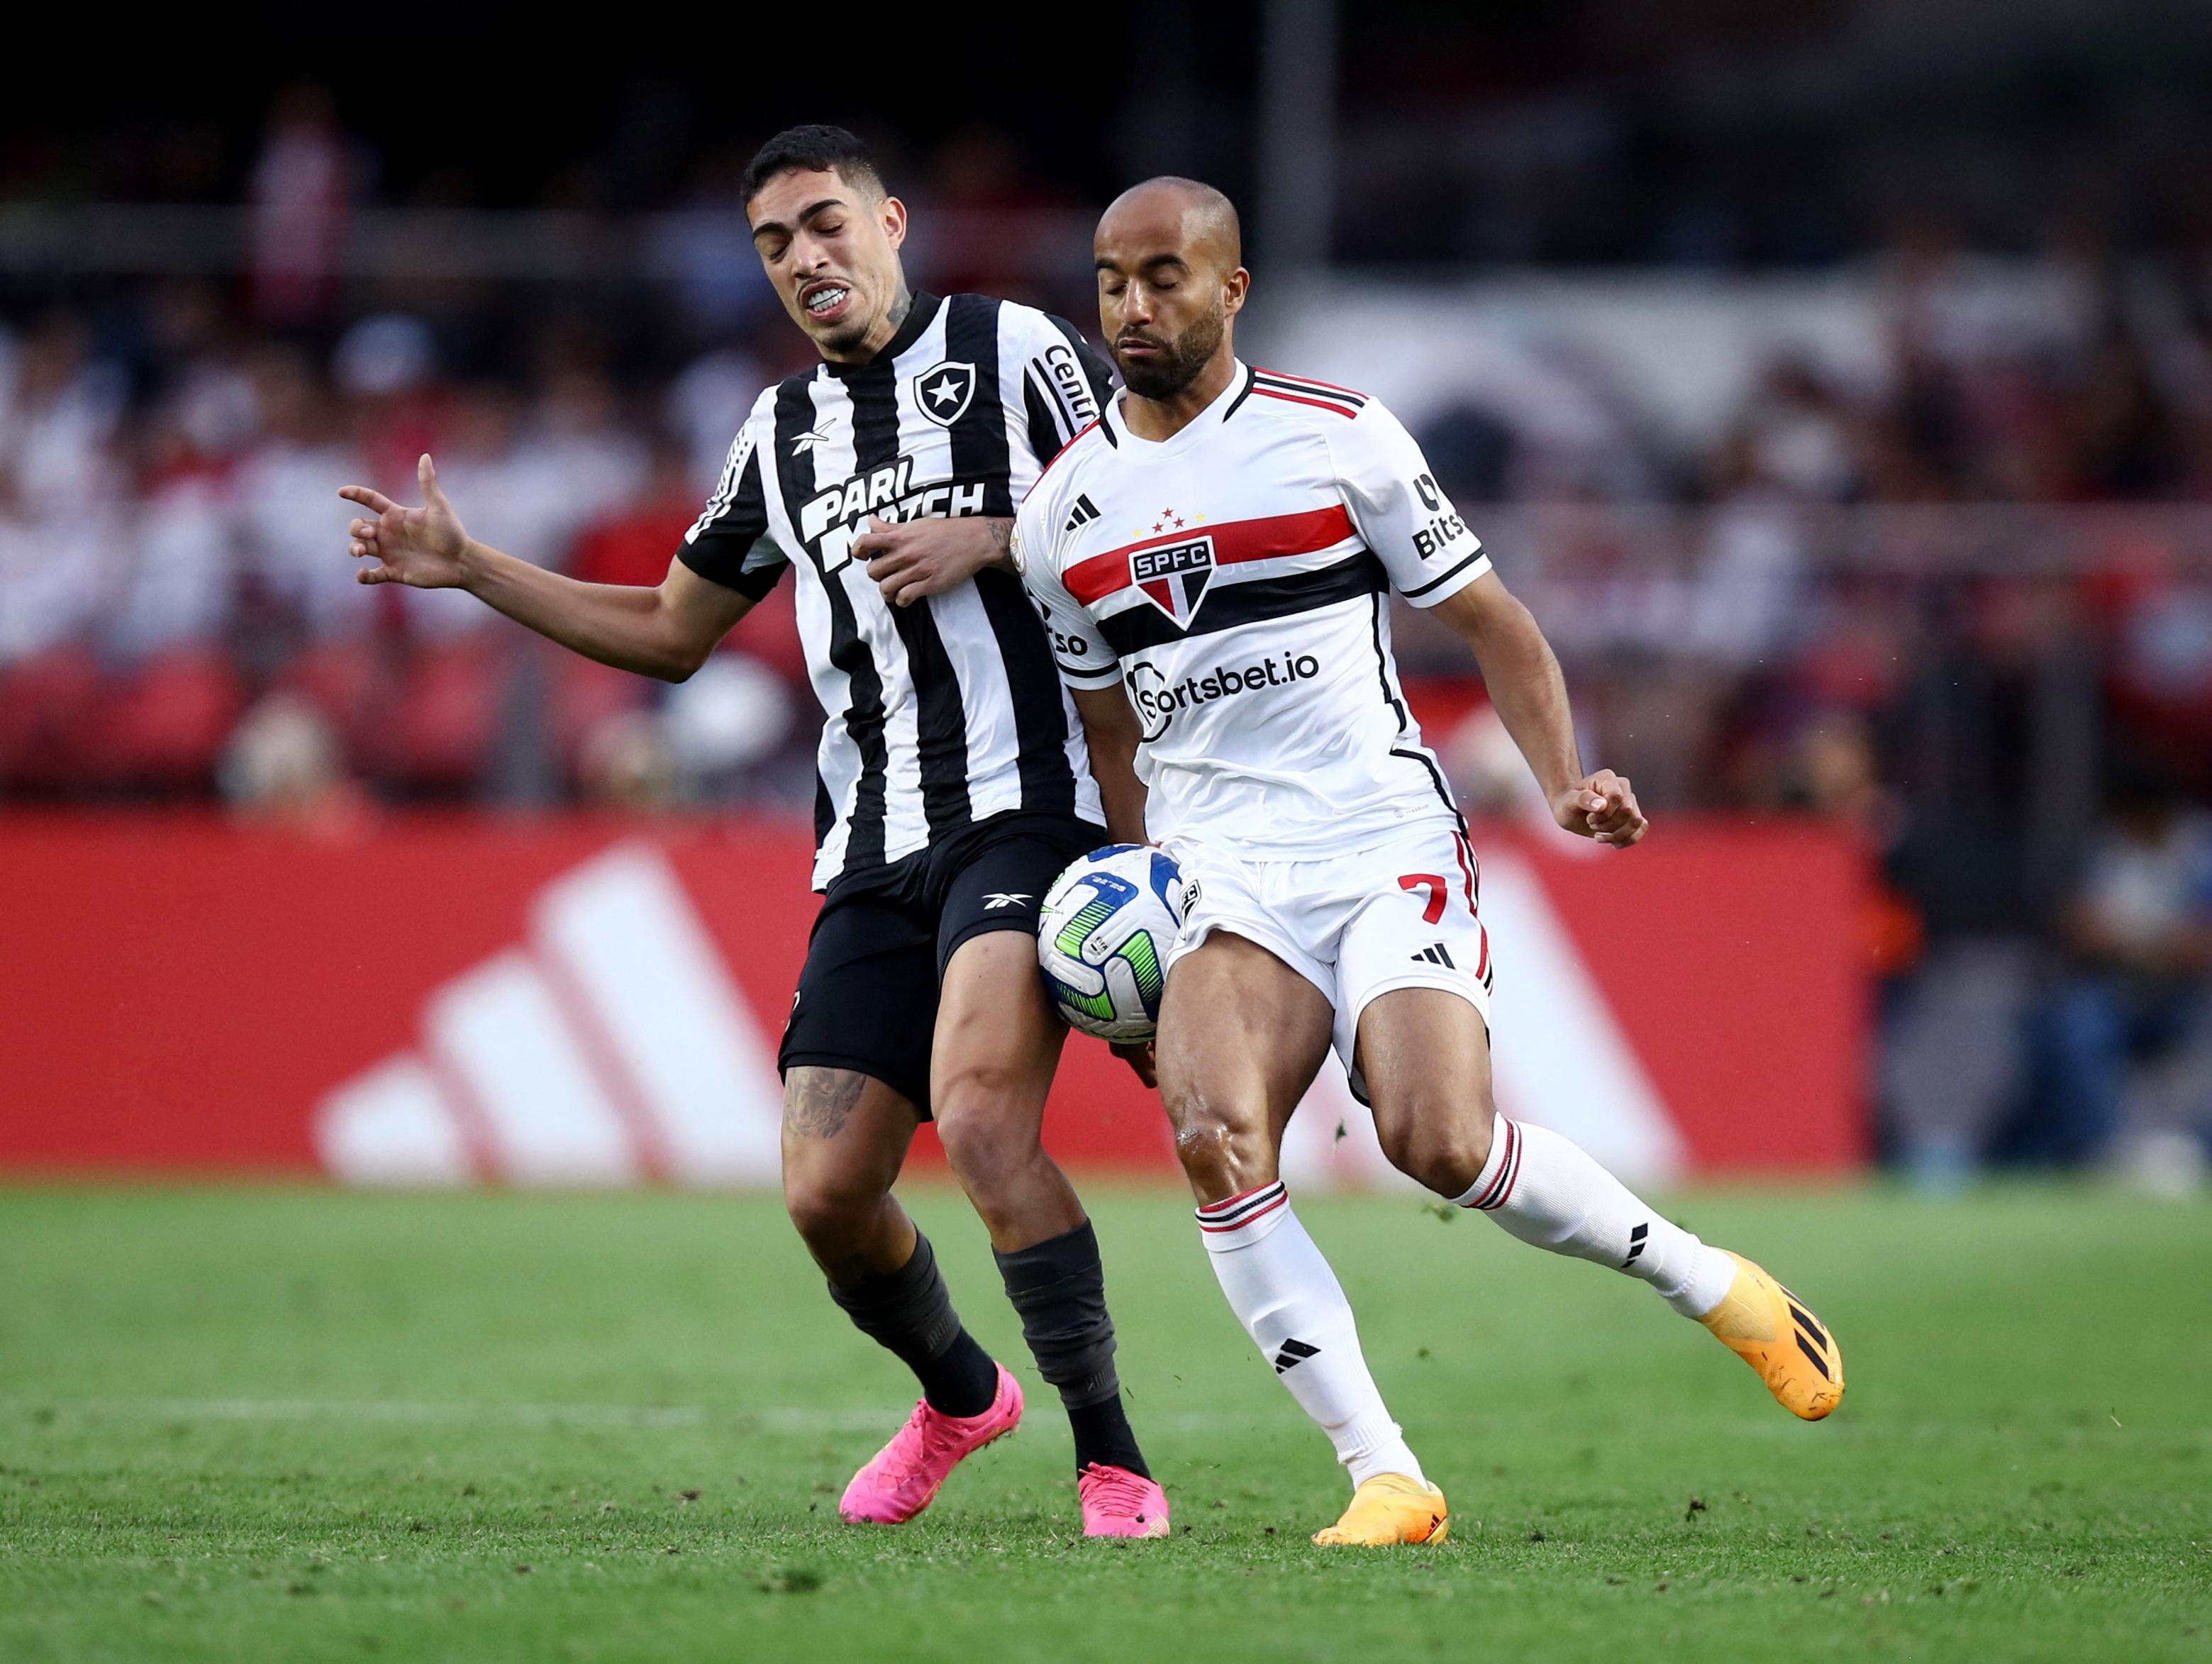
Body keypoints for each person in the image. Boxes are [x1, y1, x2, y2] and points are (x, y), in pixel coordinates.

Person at [337, 127, 1169, 1538]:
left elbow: (1159, 494)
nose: (806, 258)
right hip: (868, 850)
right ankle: (961, 1397)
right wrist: (474, 569)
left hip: (1032, 813)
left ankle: (1114, 1457)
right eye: (776, 244)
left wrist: (999, 536)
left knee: (976, 1118)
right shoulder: (777, 437)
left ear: (893, 222)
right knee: (826, 1191)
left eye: (826, 224)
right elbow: (672, 632)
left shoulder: (1015, 347)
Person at [1006, 177, 1845, 1546]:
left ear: (1233, 289)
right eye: (1110, 278)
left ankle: (1711, 1281)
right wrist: (1141, 912)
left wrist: (1569, 783)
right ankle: (1386, 1475)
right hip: (1225, 876)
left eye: (1165, 275)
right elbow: (1112, 738)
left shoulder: (1338, 439)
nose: (1133, 306)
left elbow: (1498, 624)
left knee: (1436, 1141)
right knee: (1216, 1137)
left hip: (1381, 836)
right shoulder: (1062, 518)